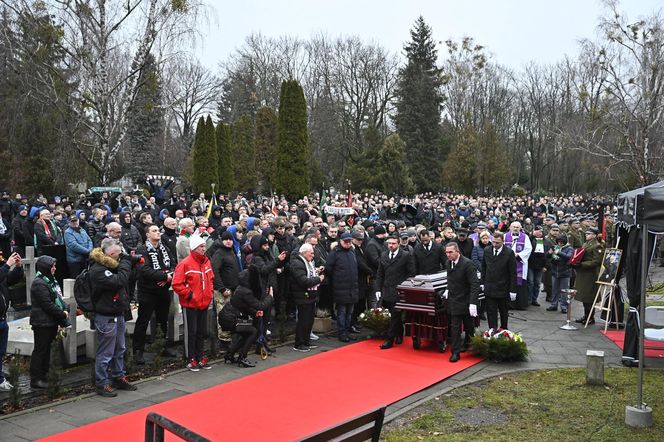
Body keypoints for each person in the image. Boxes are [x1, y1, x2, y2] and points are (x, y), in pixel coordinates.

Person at [88, 238, 136, 397]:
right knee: (106, 352)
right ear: (109, 253)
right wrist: (127, 263)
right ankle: (101, 383)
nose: (120, 256)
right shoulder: (98, 269)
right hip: (105, 315)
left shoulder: (112, 265)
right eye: (118, 254)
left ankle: (118, 377)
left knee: (120, 348)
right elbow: (119, 281)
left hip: (117, 313)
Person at [133, 225, 176, 365]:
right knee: (143, 321)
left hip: (163, 290)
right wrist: (164, 277)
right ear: (147, 235)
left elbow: (174, 264)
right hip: (148, 291)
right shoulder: (142, 250)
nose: (158, 233)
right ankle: (138, 351)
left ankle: (162, 346)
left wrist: (168, 277)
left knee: (163, 320)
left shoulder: (164, 248)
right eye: (154, 231)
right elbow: (144, 270)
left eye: (158, 230)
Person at [172, 234, 214, 371]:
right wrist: (190, 295)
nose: (204, 248)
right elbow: (177, 284)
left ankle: (200, 356)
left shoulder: (206, 261)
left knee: (202, 331)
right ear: (194, 248)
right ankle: (191, 358)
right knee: (192, 332)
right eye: (201, 246)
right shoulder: (184, 264)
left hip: (204, 302)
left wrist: (209, 293)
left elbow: (211, 279)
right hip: (191, 304)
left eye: (204, 246)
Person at [29, 256, 69, 389]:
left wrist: (64, 307)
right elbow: (47, 304)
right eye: (52, 267)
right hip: (42, 323)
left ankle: (44, 375)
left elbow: (57, 299)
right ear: (45, 268)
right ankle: (36, 379)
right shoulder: (39, 283)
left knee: (46, 350)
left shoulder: (50, 281)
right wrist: (62, 313)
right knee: (41, 350)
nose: (55, 269)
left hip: (49, 322)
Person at [222, 266, 273, 367]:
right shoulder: (246, 291)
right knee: (252, 331)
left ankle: (230, 354)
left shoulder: (241, 288)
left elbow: (243, 305)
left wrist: (255, 312)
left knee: (247, 333)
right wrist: (270, 297)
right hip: (231, 319)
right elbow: (261, 306)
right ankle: (242, 358)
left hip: (228, 316)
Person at [376, 234, 416, 349]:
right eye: (389, 243)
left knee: (395, 315)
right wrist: (378, 289)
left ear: (398, 244)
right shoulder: (384, 255)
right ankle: (399, 334)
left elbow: (411, 274)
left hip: (399, 290)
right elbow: (380, 274)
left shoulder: (405, 255)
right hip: (387, 290)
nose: (391, 246)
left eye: (393, 243)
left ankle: (389, 339)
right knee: (394, 314)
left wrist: (405, 288)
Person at [444, 242, 480, 362]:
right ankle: (455, 352)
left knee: (469, 326)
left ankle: (469, 344)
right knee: (455, 327)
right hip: (454, 300)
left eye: (450, 252)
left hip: (466, 299)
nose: (448, 255)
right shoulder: (448, 263)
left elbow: (474, 284)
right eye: (446, 252)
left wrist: (473, 303)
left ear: (457, 252)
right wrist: (447, 289)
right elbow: (450, 278)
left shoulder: (467, 264)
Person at [290, 243, 325, 352]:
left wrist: (316, 272)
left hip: (310, 296)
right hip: (302, 296)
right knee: (303, 321)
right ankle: (299, 344)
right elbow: (303, 281)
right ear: (304, 252)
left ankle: (306, 342)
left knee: (309, 320)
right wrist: (318, 279)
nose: (313, 255)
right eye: (311, 253)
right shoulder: (297, 263)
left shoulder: (307, 262)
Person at [325, 232, 359, 342]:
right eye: (346, 241)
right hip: (340, 287)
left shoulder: (352, 252)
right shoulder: (335, 253)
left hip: (352, 287)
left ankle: (347, 330)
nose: (348, 243)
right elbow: (328, 269)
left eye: (349, 241)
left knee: (350, 312)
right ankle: (342, 332)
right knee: (342, 312)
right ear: (340, 241)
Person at [481, 232, 517, 331]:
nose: (495, 244)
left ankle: (504, 329)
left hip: (503, 287)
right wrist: (482, 282)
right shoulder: (487, 250)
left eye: (498, 243)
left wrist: (513, 290)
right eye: (493, 242)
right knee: (490, 311)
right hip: (489, 286)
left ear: (503, 242)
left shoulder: (509, 252)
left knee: (503, 311)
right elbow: (484, 267)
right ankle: (492, 329)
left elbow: (513, 272)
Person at [0, 252, 23, 391]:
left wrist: (18, 267)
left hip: (2, 319)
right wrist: (7, 265)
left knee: (1, 352)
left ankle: (0, 378)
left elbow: (9, 279)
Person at [574, 227, 603, 325]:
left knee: (589, 297)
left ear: (594, 235)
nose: (587, 235)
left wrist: (582, 264)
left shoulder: (597, 246)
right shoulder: (586, 243)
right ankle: (586, 316)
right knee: (584, 296)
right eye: (586, 233)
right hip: (583, 273)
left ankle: (590, 317)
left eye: (589, 233)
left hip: (590, 274)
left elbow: (597, 261)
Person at [504, 221, 532, 310]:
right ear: (510, 227)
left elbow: (528, 249)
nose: (515, 228)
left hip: (520, 262)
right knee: (508, 281)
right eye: (514, 227)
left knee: (520, 283)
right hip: (507, 263)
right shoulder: (505, 236)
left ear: (520, 228)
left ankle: (520, 304)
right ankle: (508, 304)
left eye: (517, 227)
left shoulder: (525, 237)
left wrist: (518, 255)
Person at [547, 234, 574, 313]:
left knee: (564, 291)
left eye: (561, 242)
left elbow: (568, 257)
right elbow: (548, 257)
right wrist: (549, 253)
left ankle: (564, 306)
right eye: (558, 242)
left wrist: (558, 252)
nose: (560, 244)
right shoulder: (555, 247)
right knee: (554, 290)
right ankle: (553, 305)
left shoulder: (569, 248)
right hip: (555, 271)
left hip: (565, 272)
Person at [527, 226, 551, 307]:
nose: (539, 233)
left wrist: (546, 266)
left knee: (537, 283)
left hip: (541, 265)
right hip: (530, 264)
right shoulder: (531, 239)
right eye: (537, 231)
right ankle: (529, 299)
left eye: (540, 232)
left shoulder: (547, 242)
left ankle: (534, 299)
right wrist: (532, 235)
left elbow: (549, 256)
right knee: (530, 282)